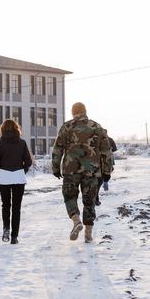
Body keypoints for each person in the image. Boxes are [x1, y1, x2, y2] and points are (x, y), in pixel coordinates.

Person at [52, 102, 112, 243]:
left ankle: (76, 221)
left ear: (73, 113)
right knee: (89, 201)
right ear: (85, 111)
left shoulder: (66, 127)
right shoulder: (97, 127)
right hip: (92, 171)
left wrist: (56, 167)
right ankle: (88, 235)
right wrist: (107, 171)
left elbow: (57, 149)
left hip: (70, 170)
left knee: (69, 197)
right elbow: (106, 151)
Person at [0, 119, 32, 244]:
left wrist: (0, 172)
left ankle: (6, 229)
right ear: (16, 129)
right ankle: (14, 236)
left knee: (5, 205)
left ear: (2, 129)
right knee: (16, 207)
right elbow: (28, 161)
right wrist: (22, 170)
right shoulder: (22, 143)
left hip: (4, 177)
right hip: (18, 176)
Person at [96, 132, 117, 205]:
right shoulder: (110, 139)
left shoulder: (95, 139)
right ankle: (105, 186)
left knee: (98, 180)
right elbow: (114, 149)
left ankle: (96, 197)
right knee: (105, 176)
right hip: (107, 161)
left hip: (97, 162)